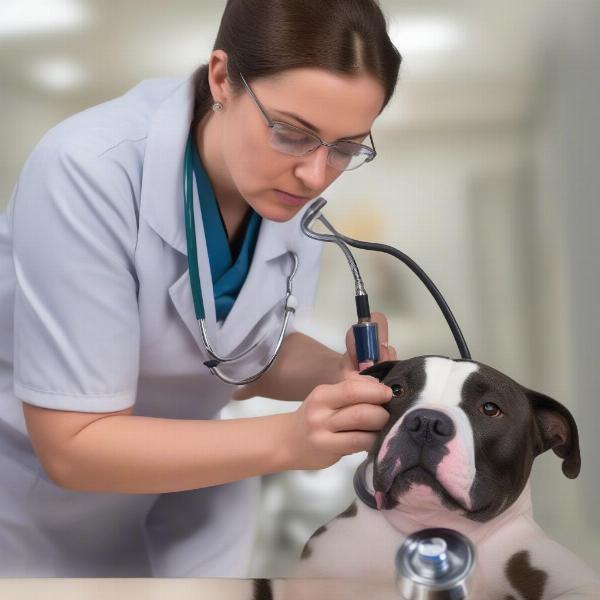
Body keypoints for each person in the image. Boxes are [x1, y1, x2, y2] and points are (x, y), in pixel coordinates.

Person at [0, 0, 401, 577]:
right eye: (291, 133)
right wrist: (291, 439)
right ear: (221, 78)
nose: (316, 175)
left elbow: (237, 356)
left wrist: (336, 371)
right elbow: (71, 445)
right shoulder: (87, 170)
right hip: (38, 512)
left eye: (345, 148)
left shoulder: (291, 196)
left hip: (197, 492)